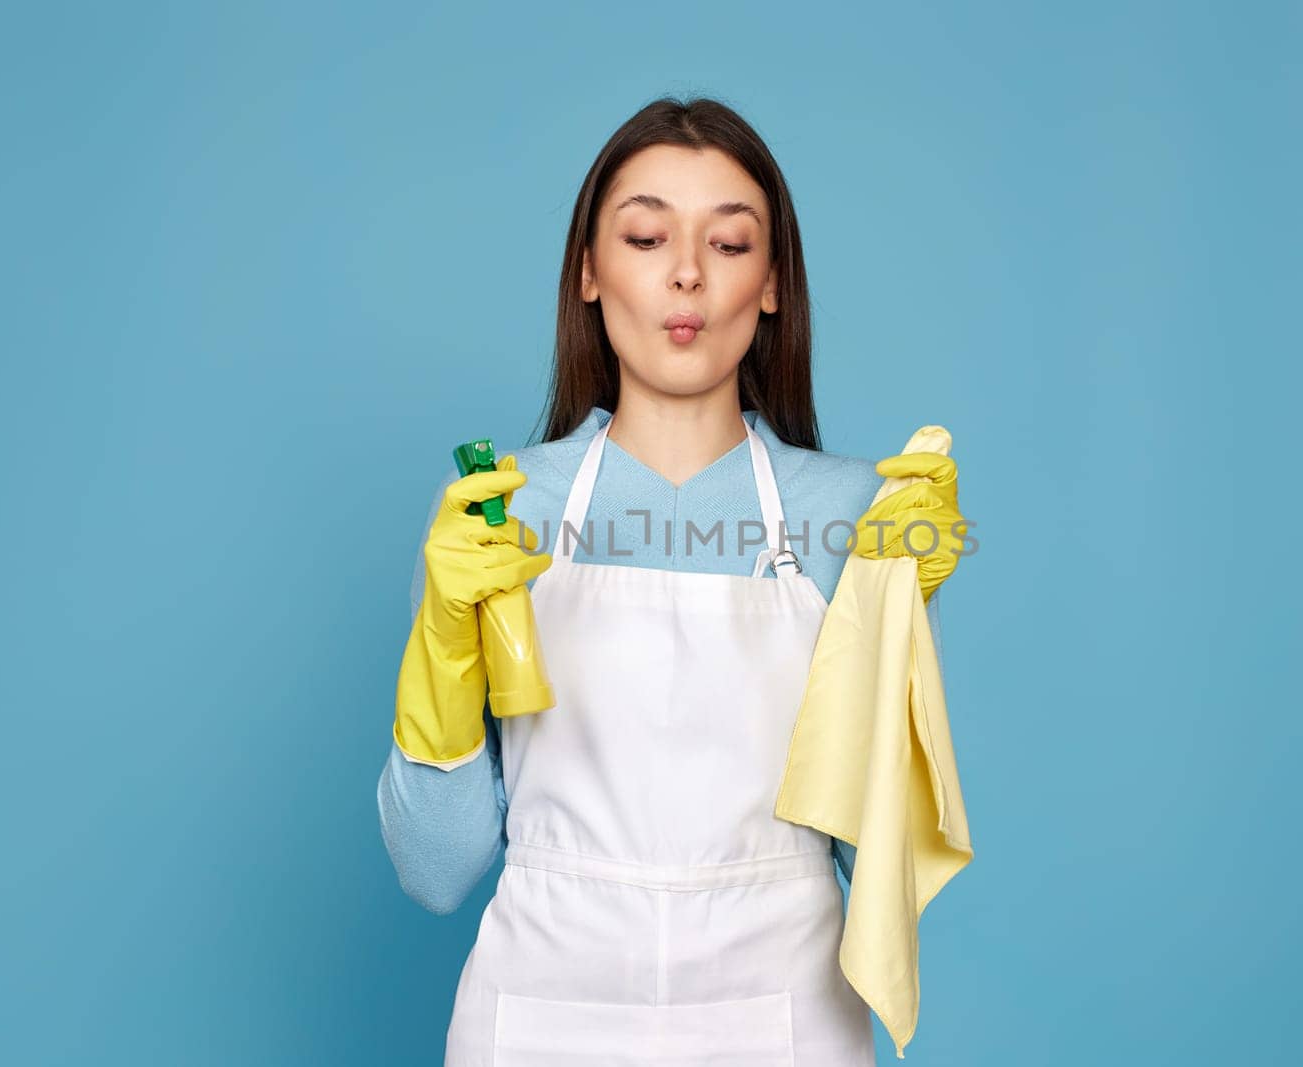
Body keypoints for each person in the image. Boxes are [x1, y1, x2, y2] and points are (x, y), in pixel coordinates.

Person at [377, 95, 965, 1066]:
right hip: (539, 1015)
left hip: (782, 1014)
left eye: (729, 245)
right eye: (647, 235)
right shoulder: (498, 513)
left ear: (772, 284)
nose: (686, 272)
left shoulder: (855, 515)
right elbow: (438, 871)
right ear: (590, 275)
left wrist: (898, 623)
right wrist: (442, 645)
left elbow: (879, 869)